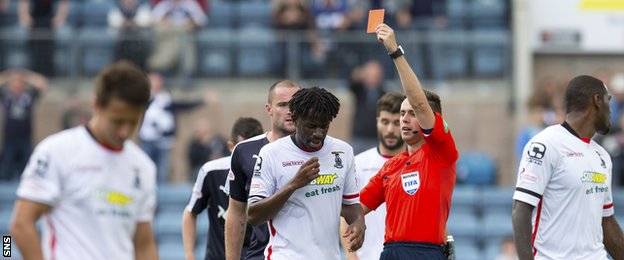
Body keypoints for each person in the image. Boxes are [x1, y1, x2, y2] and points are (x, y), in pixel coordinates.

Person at [9, 61, 158, 259]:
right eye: (117, 121)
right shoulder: (56, 151)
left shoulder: (143, 166)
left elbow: (144, 242)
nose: (125, 131)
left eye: (133, 122)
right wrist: (6, 255)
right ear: (96, 105)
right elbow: (18, 226)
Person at [359, 24, 459, 260]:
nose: (404, 119)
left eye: (411, 113)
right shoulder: (392, 166)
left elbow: (420, 102)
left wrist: (395, 51)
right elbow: (357, 206)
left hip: (426, 253)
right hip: (391, 252)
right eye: (402, 113)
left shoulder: (441, 152)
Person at [512, 75, 624, 259]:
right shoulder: (545, 144)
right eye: (608, 100)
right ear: (597, 100)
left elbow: (607, 222)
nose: (611, 110)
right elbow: (521, 211)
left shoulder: (603, 156)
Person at [247, 86, 366, 259]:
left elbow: (350, 205)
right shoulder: (271, 153)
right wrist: (293, 184)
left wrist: (359, 223)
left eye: (324, 127)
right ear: (295, 120)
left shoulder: (343, 152)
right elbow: (253, 215)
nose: (318, 133)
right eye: (311, 126)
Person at [224, 80, 301, 260]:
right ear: (269, 109)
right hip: (261, 254)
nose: (290, 111)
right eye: (282, 105)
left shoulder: (321, 151)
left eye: (296, 104)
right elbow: (236, 213)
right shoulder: (244, 151)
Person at [182, 117, 264, 260]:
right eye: (242, 148)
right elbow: (190, 212)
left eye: (253, 149)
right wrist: (189, 254)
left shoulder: (268, 169)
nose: (248, 156)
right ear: (231, 147)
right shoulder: (211, 171)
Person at [340, 92, 406, 260]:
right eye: (385, 122)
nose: (390, 130)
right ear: (377, 122)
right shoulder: (357, 164)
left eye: (396, 123)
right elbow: (346, 215)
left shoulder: (418, 166)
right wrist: (351, 255)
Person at [0, 68, 48, 181]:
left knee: (27, 170)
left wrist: (26, 76)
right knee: (6, 170)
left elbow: (42, 83)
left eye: (19, 83)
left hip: (25, 137)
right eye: (14, 83)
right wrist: (9, 76)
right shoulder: (6, 96)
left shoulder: (29, 96)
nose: (16, 85)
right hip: (9, 137)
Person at [18, 0, 69, 77]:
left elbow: (64, 3)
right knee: (34, 52)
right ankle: (34, 75)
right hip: (34, 23)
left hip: (49, 22)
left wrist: (59, 18)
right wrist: (25, 17)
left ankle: (49, 76)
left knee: (48, 52)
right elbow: (24, 3)